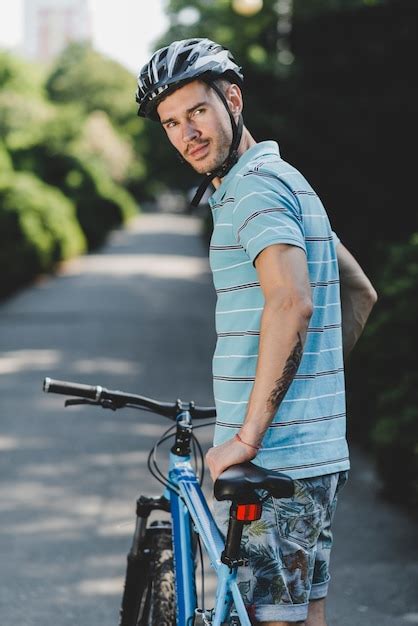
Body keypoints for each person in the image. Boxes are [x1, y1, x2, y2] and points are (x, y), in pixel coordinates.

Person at [135, 38, 377, 626]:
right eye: (171, 122)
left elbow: (291, 304)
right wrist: (311, 388)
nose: (186, 133)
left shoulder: (253, 190)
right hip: (313, 456)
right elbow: (360, 292)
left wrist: (248, 436)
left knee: (272, 618)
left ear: (232, 99)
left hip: (276, 459)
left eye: (197, 111)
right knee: (301, 616)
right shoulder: (288, 180)